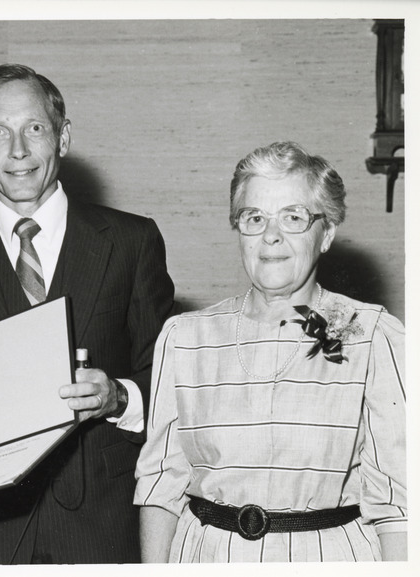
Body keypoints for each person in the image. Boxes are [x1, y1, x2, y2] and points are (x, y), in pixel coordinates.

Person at [0, 63, 175, 564]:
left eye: (35, 129)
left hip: (102, 530)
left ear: (63, 137)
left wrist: (118, 397)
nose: (18, 151)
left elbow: (173, 378)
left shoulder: (133, 242)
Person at [135, 141, 407, 562]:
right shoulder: (185, 336)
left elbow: (398, 503)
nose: (271, 235)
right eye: (254, 217)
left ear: (327, 233)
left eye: (293, 217)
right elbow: (160, 486)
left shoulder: (369, 335)